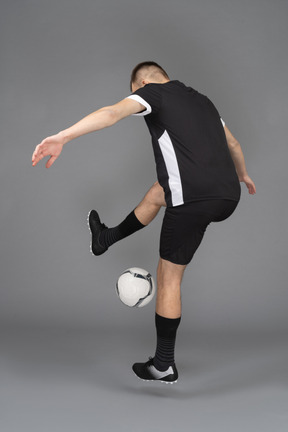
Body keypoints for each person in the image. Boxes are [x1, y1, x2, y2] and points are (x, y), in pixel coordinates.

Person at [32, 61, 256, 384]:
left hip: (193, 197)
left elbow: (111, 113)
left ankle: (163, 364)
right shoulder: (203, 100)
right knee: (158, 192)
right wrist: (243, 174)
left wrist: (63, 137)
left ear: (140, 85)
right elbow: (233, 144)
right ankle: (104, 239)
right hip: (227, 195)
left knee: (168, 277)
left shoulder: (152, 93)